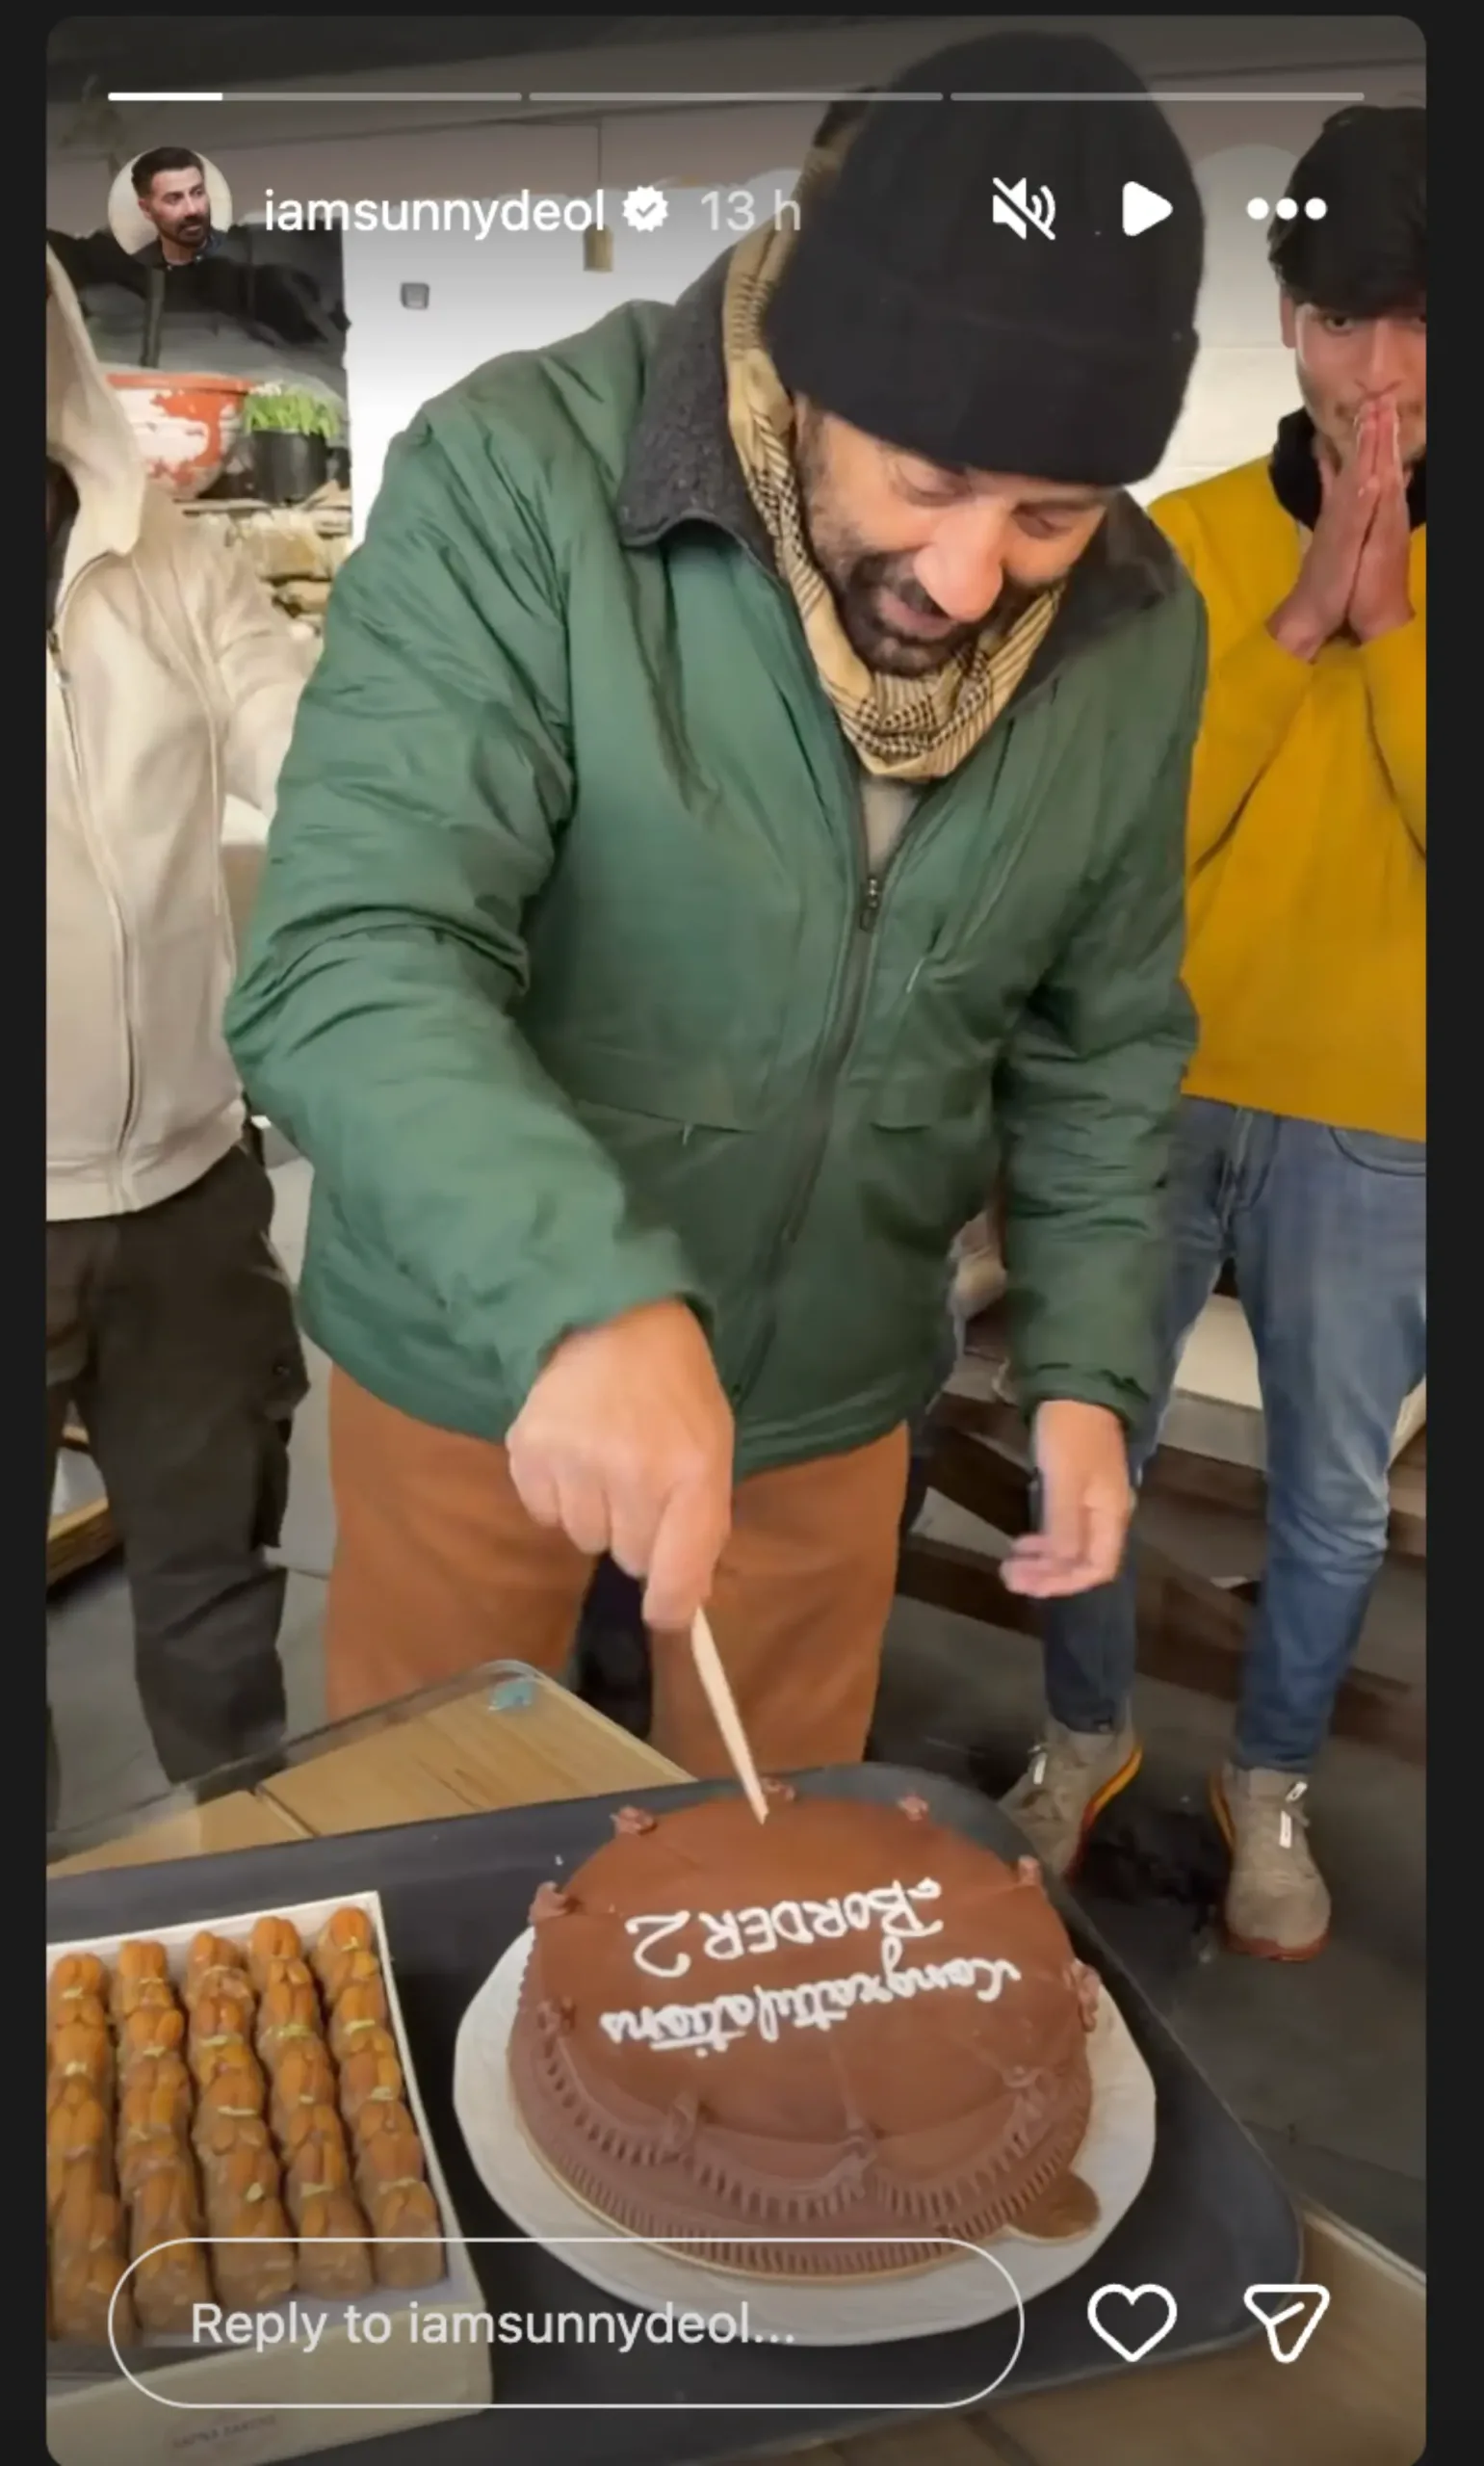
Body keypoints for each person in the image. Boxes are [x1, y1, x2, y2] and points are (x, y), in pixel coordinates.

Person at [226, 32, 1210, 1781]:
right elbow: (352, 951)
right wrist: (583, 1298)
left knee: (775, 1856)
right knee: (435, 1823)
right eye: (924, 481)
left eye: (1049, 516)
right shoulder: (519, 478)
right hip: (483, 1345)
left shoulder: (1141, 624)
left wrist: (1083, 1371)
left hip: (833, 1378)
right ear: (812, 371)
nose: (966, 578)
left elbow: (1102, 1033)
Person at [1004, 106, 1425, 1961]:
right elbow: (1113, 847)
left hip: (1387, 1116)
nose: (1378, 370)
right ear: (1285, 316)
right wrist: (1295, 630)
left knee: (1330, 1499)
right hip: (1145, 1087)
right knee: (1079, 1432)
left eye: (1421, 322)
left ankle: (1271, 1784)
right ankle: (1079, 1734)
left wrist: (1392, 632)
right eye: (1341, 318)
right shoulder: (1165, 551)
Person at [46, 248, 315, 1826]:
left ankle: (255, 1882)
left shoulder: (167, 563)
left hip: (189, 1193)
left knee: (217, 1598)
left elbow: (322, 757)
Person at [129, 146, 221, 268]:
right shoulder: (134, 268)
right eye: (173, 199)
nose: (192, 210)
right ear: (146, 209)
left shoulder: (241, 252)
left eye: (198, 193)